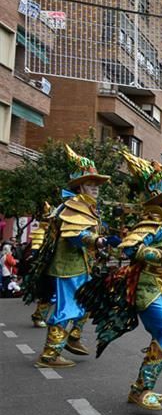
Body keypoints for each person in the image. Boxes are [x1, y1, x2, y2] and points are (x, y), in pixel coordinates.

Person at [77, 151, 162, 411]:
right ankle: (141, 388)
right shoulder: (155, 223)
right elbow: (128, 248)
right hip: (146, 288)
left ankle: (141, 387)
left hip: (160, 289)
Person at [23, 146, 113, 369]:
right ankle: (50, 354)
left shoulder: (83, 206)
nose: (96, 190)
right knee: (67, 308)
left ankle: (72, 338)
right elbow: (74, 235)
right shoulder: (74, 206)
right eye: (91, 185)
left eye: (97, 185)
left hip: (80, 266)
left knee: (86, 303)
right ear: (80, 186)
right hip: (69, 267)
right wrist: (97, 241)